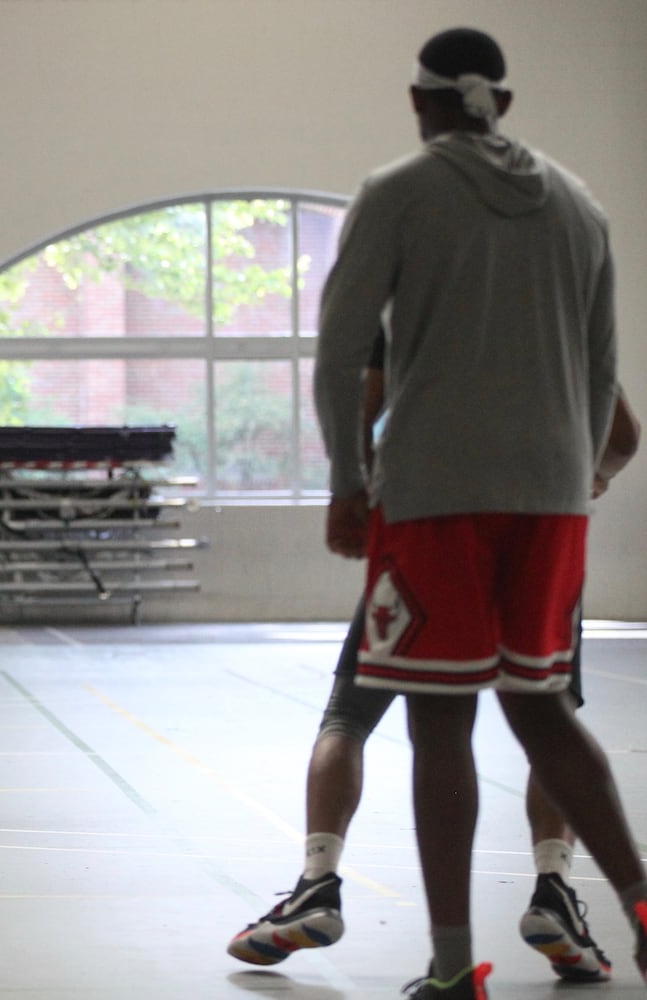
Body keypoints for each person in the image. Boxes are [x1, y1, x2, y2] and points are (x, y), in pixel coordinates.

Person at [311, 27, 647, 1000]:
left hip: (433, 495)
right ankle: (636, 900)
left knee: (440, 723)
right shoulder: (580, 206)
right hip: (552, 498)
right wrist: (567, 482)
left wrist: (346, 481)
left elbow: (339, 356)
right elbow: (600, 378)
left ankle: (454, 967)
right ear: (507, 100)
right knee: (545, 707)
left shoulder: (397, 193)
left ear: (421, 103)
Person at [228, 335, 640, 982]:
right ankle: (556, 890)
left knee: (356, 717)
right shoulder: (560, 285)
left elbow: (352, 397)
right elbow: (620, 433)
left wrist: (354, 486)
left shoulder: (418, 284)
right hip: (538, 527)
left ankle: (322, 883)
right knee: (548, 723)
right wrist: (586, 474)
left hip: (429, 524)